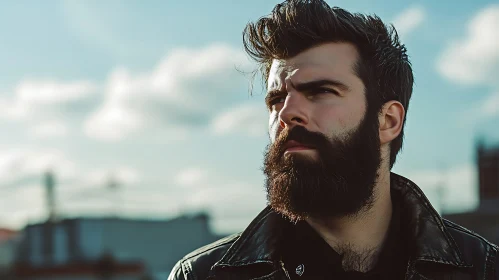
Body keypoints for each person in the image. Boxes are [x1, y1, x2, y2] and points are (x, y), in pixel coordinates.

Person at [169, 0, 499, 279]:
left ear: (388, 121)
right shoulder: (204, 274)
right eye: (276, 99)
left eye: (320, 92)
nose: (286, 114)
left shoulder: (483, 269)